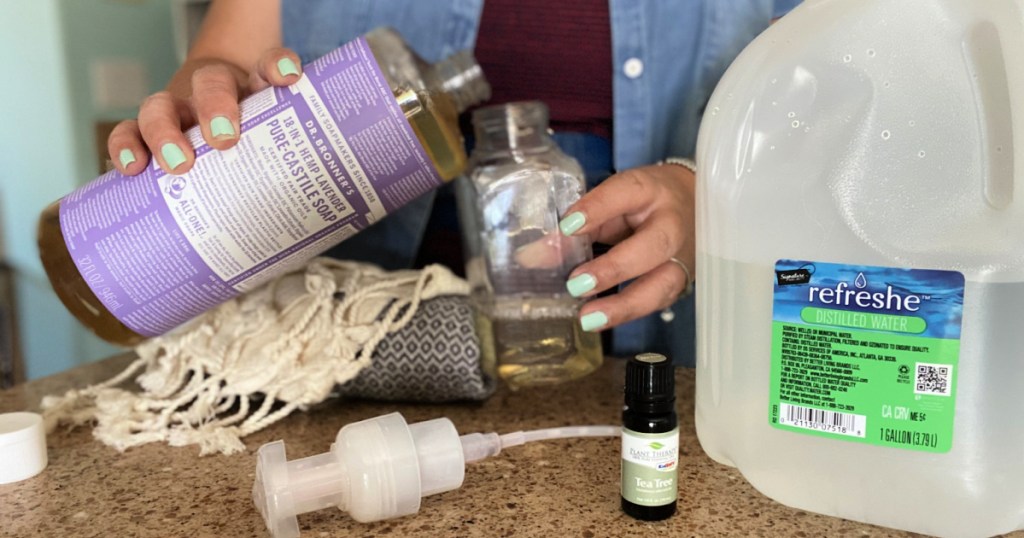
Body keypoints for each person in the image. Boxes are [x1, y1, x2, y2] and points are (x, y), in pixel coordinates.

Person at [106, 0, 801, 367]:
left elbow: (820, 120)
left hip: (640, 369)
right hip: (337, 356)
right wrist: (205, 103)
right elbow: (223, 54)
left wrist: (701, 192)